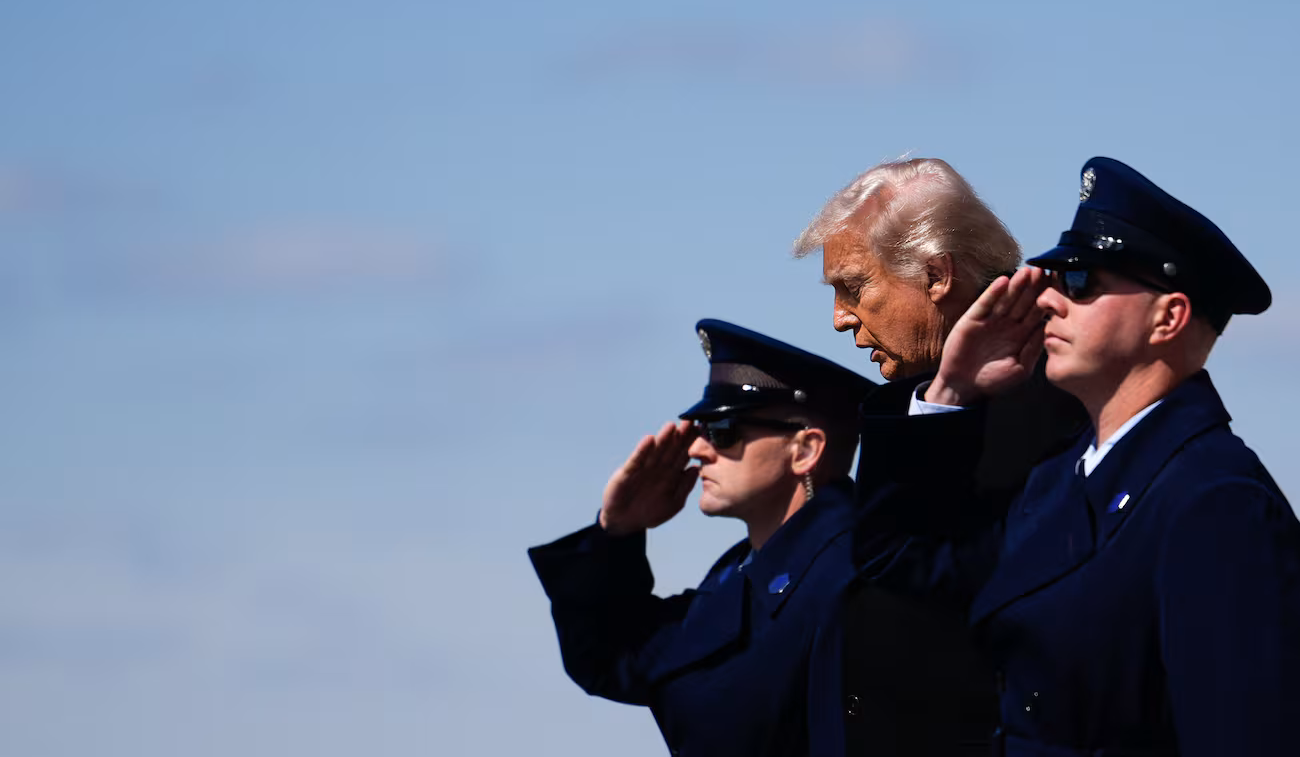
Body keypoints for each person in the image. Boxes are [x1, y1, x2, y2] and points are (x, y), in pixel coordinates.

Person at [868, 156, 1300, 756]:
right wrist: (950, 394)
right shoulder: (1058, 483)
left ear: (1168, 317)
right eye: (1053, 280)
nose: (1049, 301)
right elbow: (901, 567)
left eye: (1079, 283)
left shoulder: (1216, 503)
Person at [793, 158, 1086, 756]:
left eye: (855, 287)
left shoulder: (1054, 397)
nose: (839, 319)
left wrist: (946, 403)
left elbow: (919, 573)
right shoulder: (911, 404)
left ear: (937, 274)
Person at [529, 319, 875, 757]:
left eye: (723, 431)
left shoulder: (858, 572)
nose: (697, 449)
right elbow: (613, 660)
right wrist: (617, 533)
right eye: (698, 430)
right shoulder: (740, 574)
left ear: (805, 450)